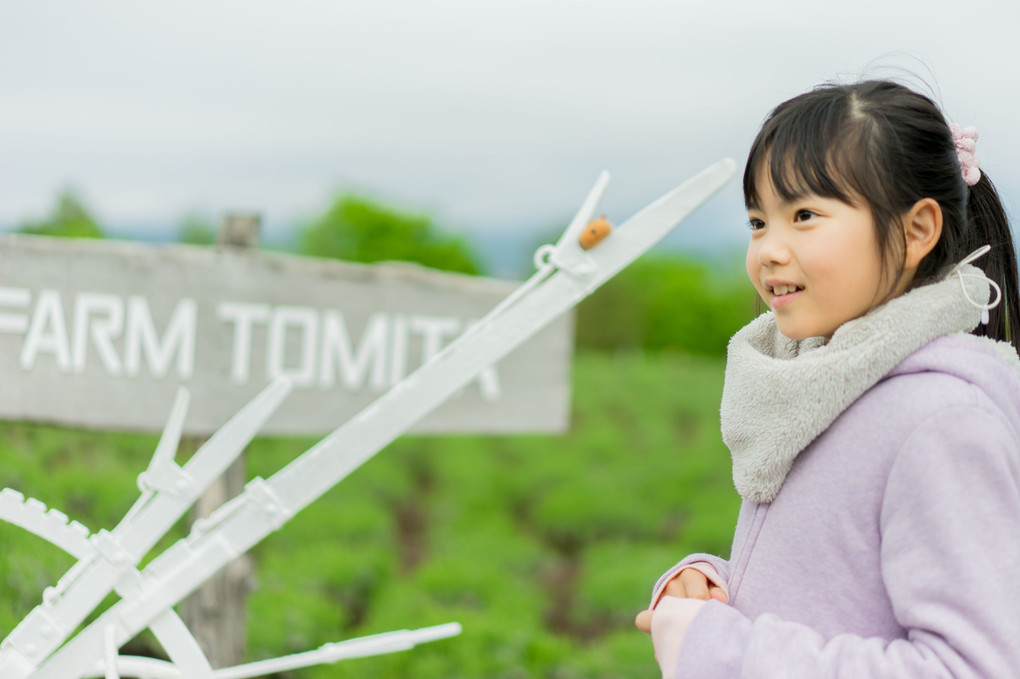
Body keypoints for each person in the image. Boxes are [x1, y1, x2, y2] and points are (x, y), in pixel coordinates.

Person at [634, 79, 1020, 678]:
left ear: (916, 230)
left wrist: (721, 651)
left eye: (804, 215)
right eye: (759, 222)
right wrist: (709, 586)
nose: (768, 250)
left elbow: (974, 667)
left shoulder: (941, 423)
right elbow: (833, 596)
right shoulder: (821, 385)